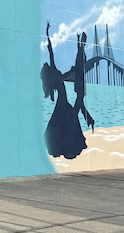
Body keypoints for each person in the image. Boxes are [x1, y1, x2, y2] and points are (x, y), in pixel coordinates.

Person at [41, 22, 87, 159]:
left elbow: (51, 54)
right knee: (68, 123)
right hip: (63, 102)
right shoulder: (55, 72)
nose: (47, 63)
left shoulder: (55, 73)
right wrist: (47, 34)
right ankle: (67, 147)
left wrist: (72, 70)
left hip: (62, 101)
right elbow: (50, 51)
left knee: (61, 124)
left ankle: (63, 147)